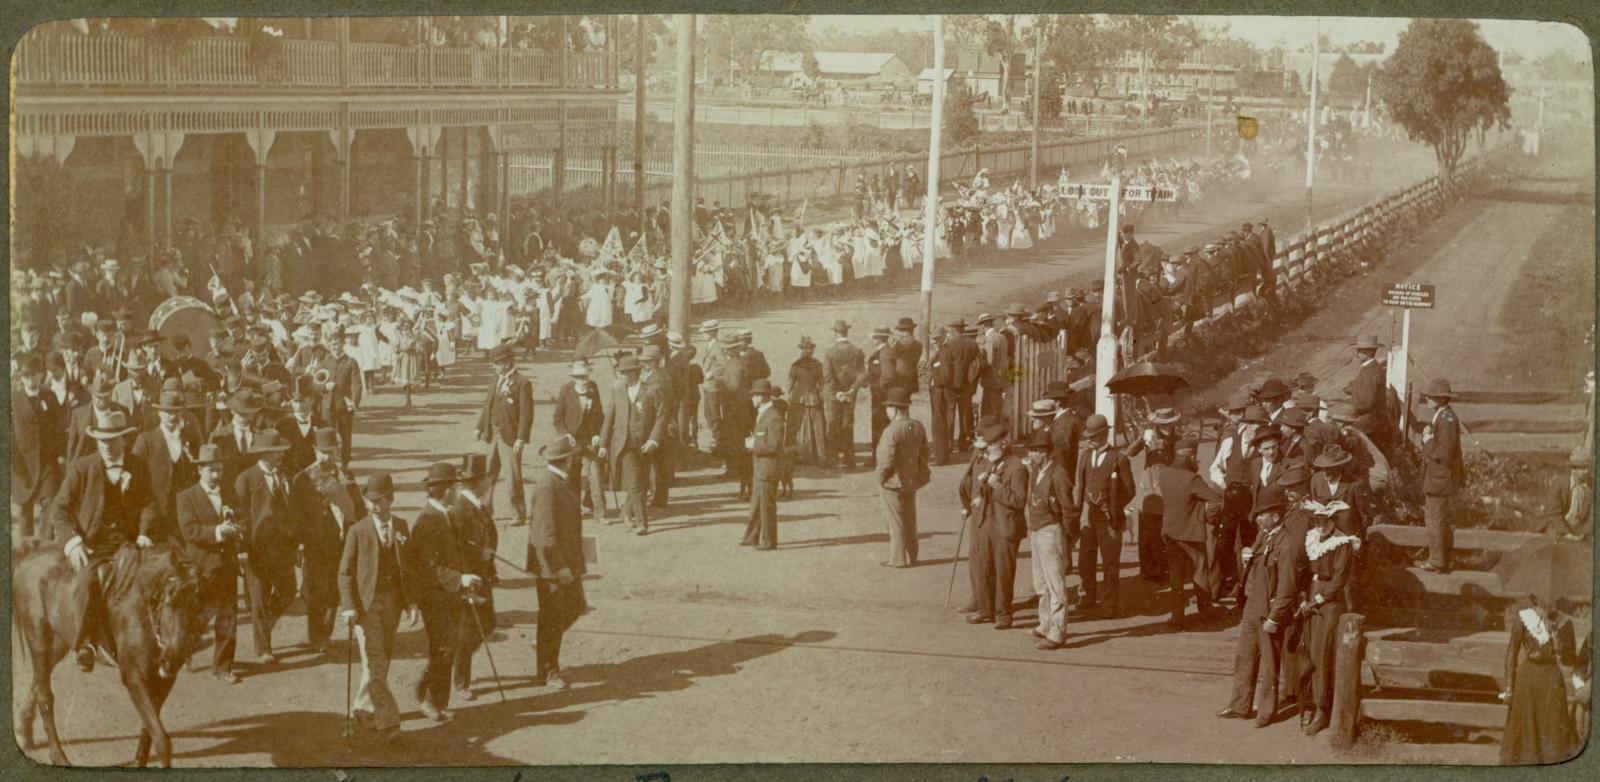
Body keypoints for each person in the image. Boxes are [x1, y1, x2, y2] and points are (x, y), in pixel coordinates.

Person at [52, 409, 158, 671]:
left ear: (124, 440)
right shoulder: (82, 467)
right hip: (92, 544)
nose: (107, 448)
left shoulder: (137, 466)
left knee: (158, 577)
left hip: (128, 543)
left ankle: (159, 639)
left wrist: (145, 532)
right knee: (90, 582)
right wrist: (73, 543)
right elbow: (59, 510)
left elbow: (149, 504)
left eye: (112, 441)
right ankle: (86, 644)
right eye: (102, 442)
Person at [338, 471, 413, 744]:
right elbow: (345, 572)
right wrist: (348, 606)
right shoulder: (358, 531)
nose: (372, 506)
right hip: (365, 606)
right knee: (376, 661)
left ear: (391, 499)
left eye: (379, 500)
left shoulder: (402, 527)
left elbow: (409, 571)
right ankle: (389, 721)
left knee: (381, 661)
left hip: (392, 604)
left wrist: (411, 603)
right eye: (369, 500)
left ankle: (362, 707)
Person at [408, 462, 483, 722]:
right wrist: (460, 578)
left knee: (446, 649)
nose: (457, 491)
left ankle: (431, 695)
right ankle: (430, 700)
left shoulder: (444, 515)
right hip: (434, 598)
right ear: (446, 491)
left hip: (450, 595)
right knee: (442, 650)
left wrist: (464, 583)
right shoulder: (427, 521)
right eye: (454, 487)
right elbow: (430, 568)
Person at [1218, 484, 1297, 726]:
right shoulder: (1264, 536)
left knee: (1269, 663)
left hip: (1268, 610)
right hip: (1253, 605)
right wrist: (1245, 558)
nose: (1258, 520)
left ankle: (1266, 711)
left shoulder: (1288, 544)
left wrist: (1275, 616)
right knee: (1245, 656)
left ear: (1276, 516)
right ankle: (1240, 704)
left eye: (1263, 515)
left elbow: (1287, 586)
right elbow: (1254, 570)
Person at [176, 443, 245, 683]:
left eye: (219, 470)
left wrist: (235, 526)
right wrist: (219, 531)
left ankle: (223, 667)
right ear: (199, 470)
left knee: (228, 618)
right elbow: (190, 531)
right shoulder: (185, 497)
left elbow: (242, 521)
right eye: (210, 470)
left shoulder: (230, 492)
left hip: (226, 565)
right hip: (199, 568)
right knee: (194, 617)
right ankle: (182, 653)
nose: (215, 475)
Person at [291, 428, 362, 656]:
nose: (327, 457)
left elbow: (357, 508)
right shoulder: (304, 478)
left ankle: (326, 634)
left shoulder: (346, 475)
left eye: (331, 452)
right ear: (315, 450)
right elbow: (297, 515)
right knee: (316, 591)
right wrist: (300, 544)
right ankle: (316, 636)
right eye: (323, 452)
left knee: (334, 590)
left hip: (341, 542)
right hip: (316, 544)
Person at [525, 435, 587, 689]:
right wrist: (560, 567)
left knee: (575, 606)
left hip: (565, 562)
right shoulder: (548, 487)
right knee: (552, 617)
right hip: (552, 567)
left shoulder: (560, 481)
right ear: (567, 460)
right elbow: (545, 535)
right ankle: (548, 670)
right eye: (573, 456)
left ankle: (543, 647)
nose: (575, 460)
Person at [1296, 502, 1361, 736]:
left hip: (1330, 601)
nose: (1321, 526)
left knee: (1322, 652)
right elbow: (1305, 569)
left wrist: (1319, 599)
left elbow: (1339, 579)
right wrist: (1305, 595)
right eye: (1317, 521)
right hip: (1313, 592)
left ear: (1333, 521)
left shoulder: (1341, 543)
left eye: (1325, 522)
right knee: (1310, 650)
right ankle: (1311, 701)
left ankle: (1323, 709)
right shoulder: (1313, 537)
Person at [234, 429, 297, 665]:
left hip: (282, 548)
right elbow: (239, 517)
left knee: (289, 589)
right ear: (264, 454)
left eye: (280, 451)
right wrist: (241, 550)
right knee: (259, 599)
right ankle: (264, 648)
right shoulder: (246, 479)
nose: (281, 455)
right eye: (276, 452)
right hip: (256, 549)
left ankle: (266, 623)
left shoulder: (285, 475)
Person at [959, 422, 1028, 629]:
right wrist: (978, 496)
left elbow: (1018, 500)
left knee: (1003, 571)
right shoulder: (990, 462)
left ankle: (1003, 613)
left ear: (1003, 444)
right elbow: (981, 489)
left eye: (991, 445)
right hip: (985, 523)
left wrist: (995, 486)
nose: (987, 449)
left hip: (1005, 528)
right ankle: (986, 610)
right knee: (984, 567)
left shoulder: (1018, 467)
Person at [1500, 596, 1583, 764]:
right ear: (1535, 597)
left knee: (1552, 724)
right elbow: (1511, 653)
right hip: (1528, 679)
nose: (1547, 599)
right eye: (1542, 595)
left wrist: (1560, 641)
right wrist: (1509, 686)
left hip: (1551, 678)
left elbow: (1569, 659)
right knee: (1526, 725)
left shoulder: (1565, 622)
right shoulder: (1523, 619)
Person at [1072, 414, 1134, 617]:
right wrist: (1077, 512)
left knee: (1110, 562)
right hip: (1089, 514)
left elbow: (1129, 489)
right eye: (1088, 435)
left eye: (1094, 435)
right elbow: (1080, 486)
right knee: (1085, 558)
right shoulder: (1085, 456)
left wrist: (1114, 505)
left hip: (1109, 516)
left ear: (1104, 434)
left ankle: (1110, 603)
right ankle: (1087, 595)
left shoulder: (1119, 458)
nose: (1089, 439)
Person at [1158, 438, 1222, 630]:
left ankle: (1176, 616)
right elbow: (1215, 501)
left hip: (1170, 531)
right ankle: (1205, 611)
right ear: (1192, 456)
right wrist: (1210, 519)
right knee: (1199, 571)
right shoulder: (1192, 479)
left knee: (1176, 575)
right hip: (1192, 533)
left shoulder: (1164, 474)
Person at [450, 454, 499, 701]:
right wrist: (478, 555)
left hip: (483, 575)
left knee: (489, 622)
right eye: (485, 480)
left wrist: (491, 566)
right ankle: (461, 681)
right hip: (469, 578)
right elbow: (456, 547)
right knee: (468, 631)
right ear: (477, 482)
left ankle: (457, 662)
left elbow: (488, 534)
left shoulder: (478, 505)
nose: (488, 483)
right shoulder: (460, 509)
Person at [1022, 429, 1077, 650]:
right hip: (1037, 531)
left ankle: (1057, 631)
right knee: (1041, 583)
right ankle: (1045, 624)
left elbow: (1069, 509)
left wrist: (1067, 535)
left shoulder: (1058, 474)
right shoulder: (1037, 471)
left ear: (1044, 452)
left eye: (1034, 451)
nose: (1031, 455)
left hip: (1051, 531)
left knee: (1055, 584)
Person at [599, 354, 664, 535]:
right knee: (635, 483)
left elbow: (661, 416)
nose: (620, 376)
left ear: (634, 373)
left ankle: (626, 511)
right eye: (619, 373)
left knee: (642, 482)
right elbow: (609, 417)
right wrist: (604, 443)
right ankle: (642, 522)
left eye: (624, 373)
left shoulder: (651, 390)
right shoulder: (618, 391)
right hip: (624, 444)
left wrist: (653, 440)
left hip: (646, 444)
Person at [130, 388, 201, 543]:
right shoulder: (146, 440)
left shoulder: (189, 439)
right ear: (159, 413)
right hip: (156, 512)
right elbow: (135, 480)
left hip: (183, 513)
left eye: (175, 411)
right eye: (167, 412)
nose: (171, 416)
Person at [477, 344, 534, 526]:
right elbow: (488, 404)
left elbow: (527, 413)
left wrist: (521, 438)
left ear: (507, 362)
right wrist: (480, 427)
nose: (494, 367)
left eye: (497, 363)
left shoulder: (522, 383)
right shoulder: (495, 379)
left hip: (510, 436)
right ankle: (486, 509)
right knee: (489, 473)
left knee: (513, 475)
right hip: (492, 433)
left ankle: (518, 513)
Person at [874, 387, 930, 568]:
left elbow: (885, 460)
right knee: (910, 519)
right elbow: (925, 454)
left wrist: (879, 479)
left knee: (895, 521)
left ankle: (897, 559)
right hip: (911, 480)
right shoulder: (918, 426)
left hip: (892, 481)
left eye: (888, 407)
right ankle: (912, 555)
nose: (886, 411)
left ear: (896, 409)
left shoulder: (891, 430)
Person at [12, 354, 64, 539]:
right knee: (25, 509)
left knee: (49, 502)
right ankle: (25, 550)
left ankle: (45, 546)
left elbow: (58, 427)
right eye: (26, 376)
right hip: (23, 464)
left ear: (41, 375)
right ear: (21, 377)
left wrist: (59, 454)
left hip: (46, 462)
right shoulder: (13, 399)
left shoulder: (49, 396)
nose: (31, 380)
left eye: (35, 375)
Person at [1418, 378, 1463, 573]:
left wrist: (1427, 441)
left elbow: (1444, 452)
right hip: (1442, 478)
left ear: (1441, 398)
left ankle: (1437, 560)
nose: (1426, 398)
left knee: (1435, 518)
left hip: (1440, 480)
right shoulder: (1442, 416)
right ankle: (1445, 559)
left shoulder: (1445, 420)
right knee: (1441, 519)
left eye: (1431, 396)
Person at [552, 360, 606, 520]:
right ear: (574, 378)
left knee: (595, 476)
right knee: (571, 478)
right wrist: (566, 434)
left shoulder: (593, 388)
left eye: (586, 376)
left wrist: (597, 433)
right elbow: (558, 419)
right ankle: (572, 512)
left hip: (589, 441)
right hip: (572, 442)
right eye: (580, 377)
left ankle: (601, 513)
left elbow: (599, 415)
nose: (584, 380)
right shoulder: (566, 391)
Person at [742, 380, 784, 551]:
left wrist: (754, 445)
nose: (752, 398)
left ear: (763, 396)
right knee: (757, 503)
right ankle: (751, 537)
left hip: (768, 468)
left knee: (766, 506)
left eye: (754, 395)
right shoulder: (764, 414)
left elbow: (774, 446)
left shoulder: (773, 417)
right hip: (761, 467)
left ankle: (769, 541)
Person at [822, 320, 866, 470]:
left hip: (834, 395)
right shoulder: (857, 351)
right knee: (848, 425)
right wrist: (852, 390)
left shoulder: (829, 351)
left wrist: (837, 392)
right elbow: (862, 374)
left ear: (835, 333)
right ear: (847, 332)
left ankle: (832, 460)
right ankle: (849, 460)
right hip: (850, 395)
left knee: (833, 425)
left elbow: (827, 376)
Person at [787, 337, 828, 466]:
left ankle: (794, 455)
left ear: (801, 350)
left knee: (796, 425)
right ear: (812, 351)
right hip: (814, 396)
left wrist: (789, 395)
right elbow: (822, 384)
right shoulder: (818, 365)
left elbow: (789, 386)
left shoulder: (795, 365)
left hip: (798, 397)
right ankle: (820, 456)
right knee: (817, 425)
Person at [1346, 336, 1388, 449]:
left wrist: (1352, 408)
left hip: (1370, 421)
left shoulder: (1372, 371)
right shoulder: (1369, 368)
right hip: (1368, 417)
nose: (1357, 353)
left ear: (1370, 351)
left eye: (1361, 350)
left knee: (1345, 435)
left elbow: (1367, 403)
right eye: (1358, 350)